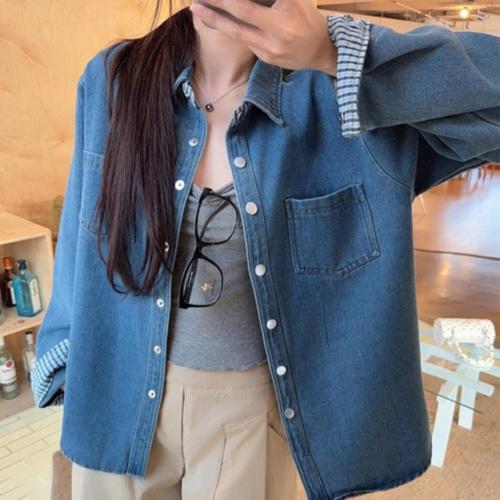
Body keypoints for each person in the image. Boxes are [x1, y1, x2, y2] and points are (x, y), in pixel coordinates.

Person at [31, 0, 500, 498]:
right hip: (115, 397)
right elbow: (84, 230)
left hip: (248, 415)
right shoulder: (115, 79)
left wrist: (332, 51)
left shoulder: (340, 93)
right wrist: (66, 360)